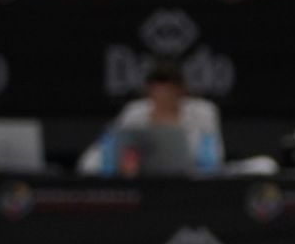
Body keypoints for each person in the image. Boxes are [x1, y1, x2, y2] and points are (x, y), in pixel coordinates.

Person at [77, 57, 222, 176]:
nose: (163, 97)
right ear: (149, 91)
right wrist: (118, 165)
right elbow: (96, 158)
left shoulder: (203, 112)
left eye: (169, 92)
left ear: (182, 90)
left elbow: (213, 160)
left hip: (188, 185)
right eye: (157, 91)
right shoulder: (133, 112)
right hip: (143, 183)